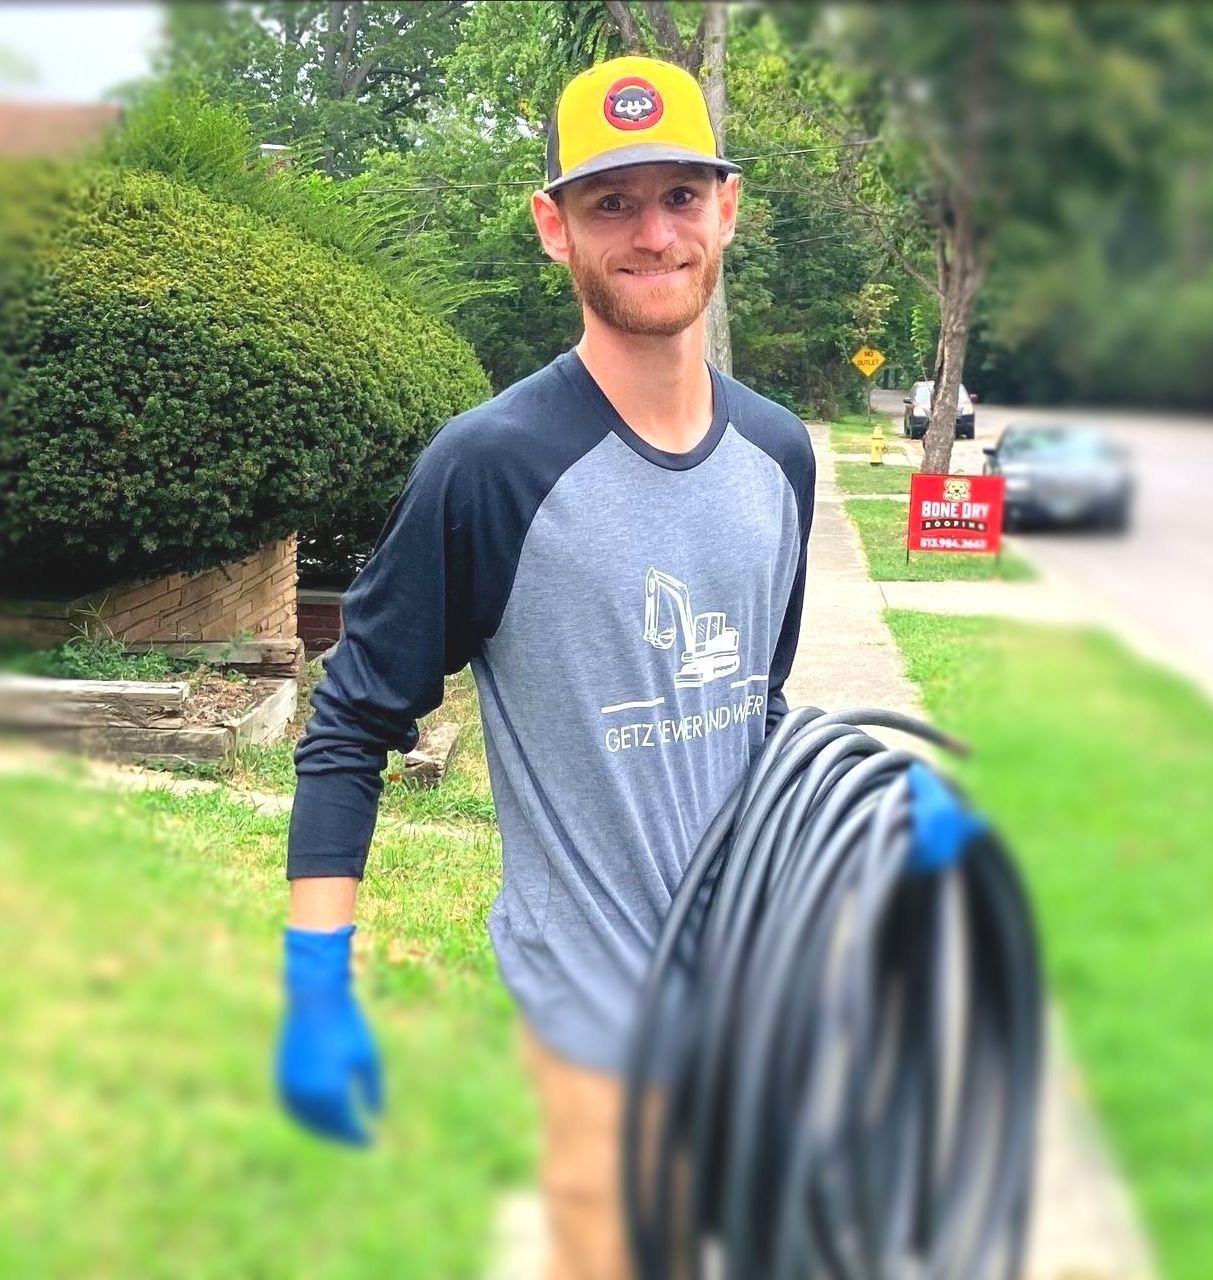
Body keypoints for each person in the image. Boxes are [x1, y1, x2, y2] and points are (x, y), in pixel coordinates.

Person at [276, 54, 816, 1280]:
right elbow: (353, 719)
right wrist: (318, 981)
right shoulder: (491, 466)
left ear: (726, 209)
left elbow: (754, 708)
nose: (651, 232)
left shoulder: (778, 457)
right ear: (552, 228)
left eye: (678, 194)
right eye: (609, 203)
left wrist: (858, 813)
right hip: (591, 1009)